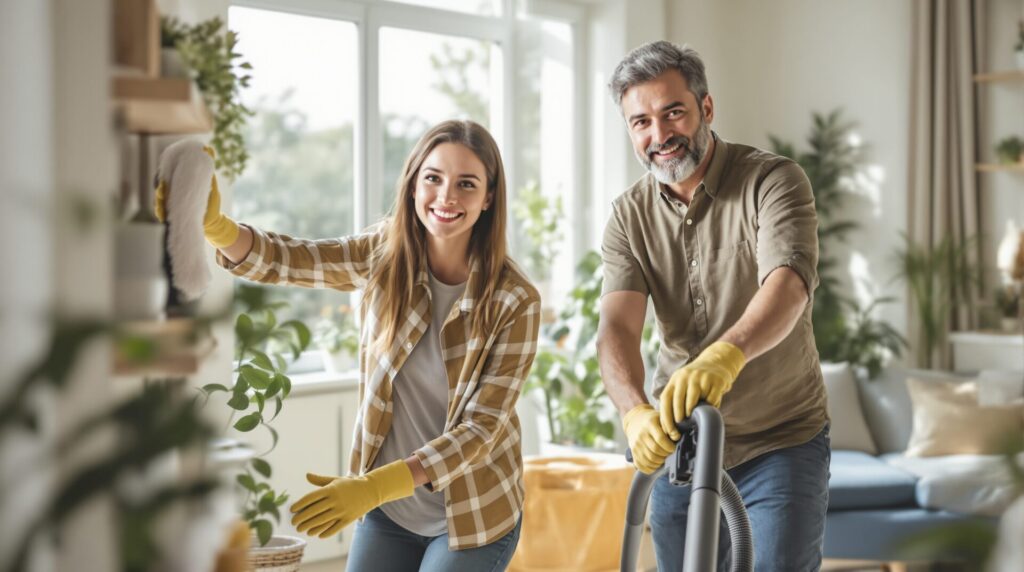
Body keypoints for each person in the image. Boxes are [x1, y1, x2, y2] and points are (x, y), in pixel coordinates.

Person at [159, 120, 539, 571]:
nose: (446, 197)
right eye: (433, 178)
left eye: (467, 184)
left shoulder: (515, 300)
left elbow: (481, 428)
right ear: (413, 184)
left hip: (473, 513)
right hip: (390, 512)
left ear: (489, 198)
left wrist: (375, 485)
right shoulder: (385, 254)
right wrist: (219, 229)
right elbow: (294, 259)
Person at [596, 41, 830, 571]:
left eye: (672, 112)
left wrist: (727, 353)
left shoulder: (772, 180)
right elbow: (616, 326)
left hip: (781, 439)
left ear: (705, 107)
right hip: (685, 445)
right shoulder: (628, 217)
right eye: (641, 122)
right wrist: (634, 410)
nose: (659, 135)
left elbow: (788, 284)